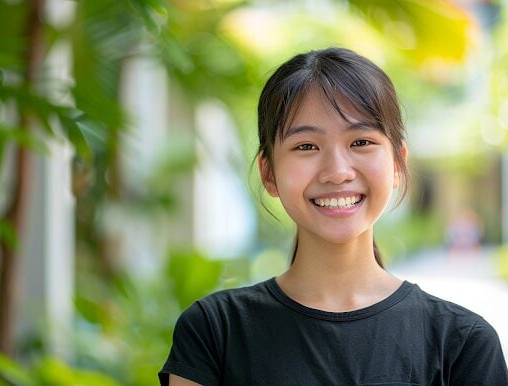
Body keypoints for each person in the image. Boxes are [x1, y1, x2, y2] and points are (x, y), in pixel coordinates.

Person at [159, 47, 508, 385]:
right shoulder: (215, 330)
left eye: (361, 142)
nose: (337, 171)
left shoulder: (462, 342)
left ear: (398, 163)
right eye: (306, 146)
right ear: (269, 174)